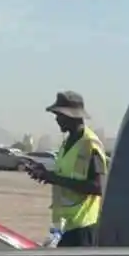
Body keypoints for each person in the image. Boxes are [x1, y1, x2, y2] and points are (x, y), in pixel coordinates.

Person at [24, 91, 107, 246]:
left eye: (59, 115)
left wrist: (53, 178)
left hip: (84, 227)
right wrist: (45, 174)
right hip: (67, 226)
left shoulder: (90, 145)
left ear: (71, 116)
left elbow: (98, 187)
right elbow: (67, 176)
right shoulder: (67, 143)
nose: (56, 119)